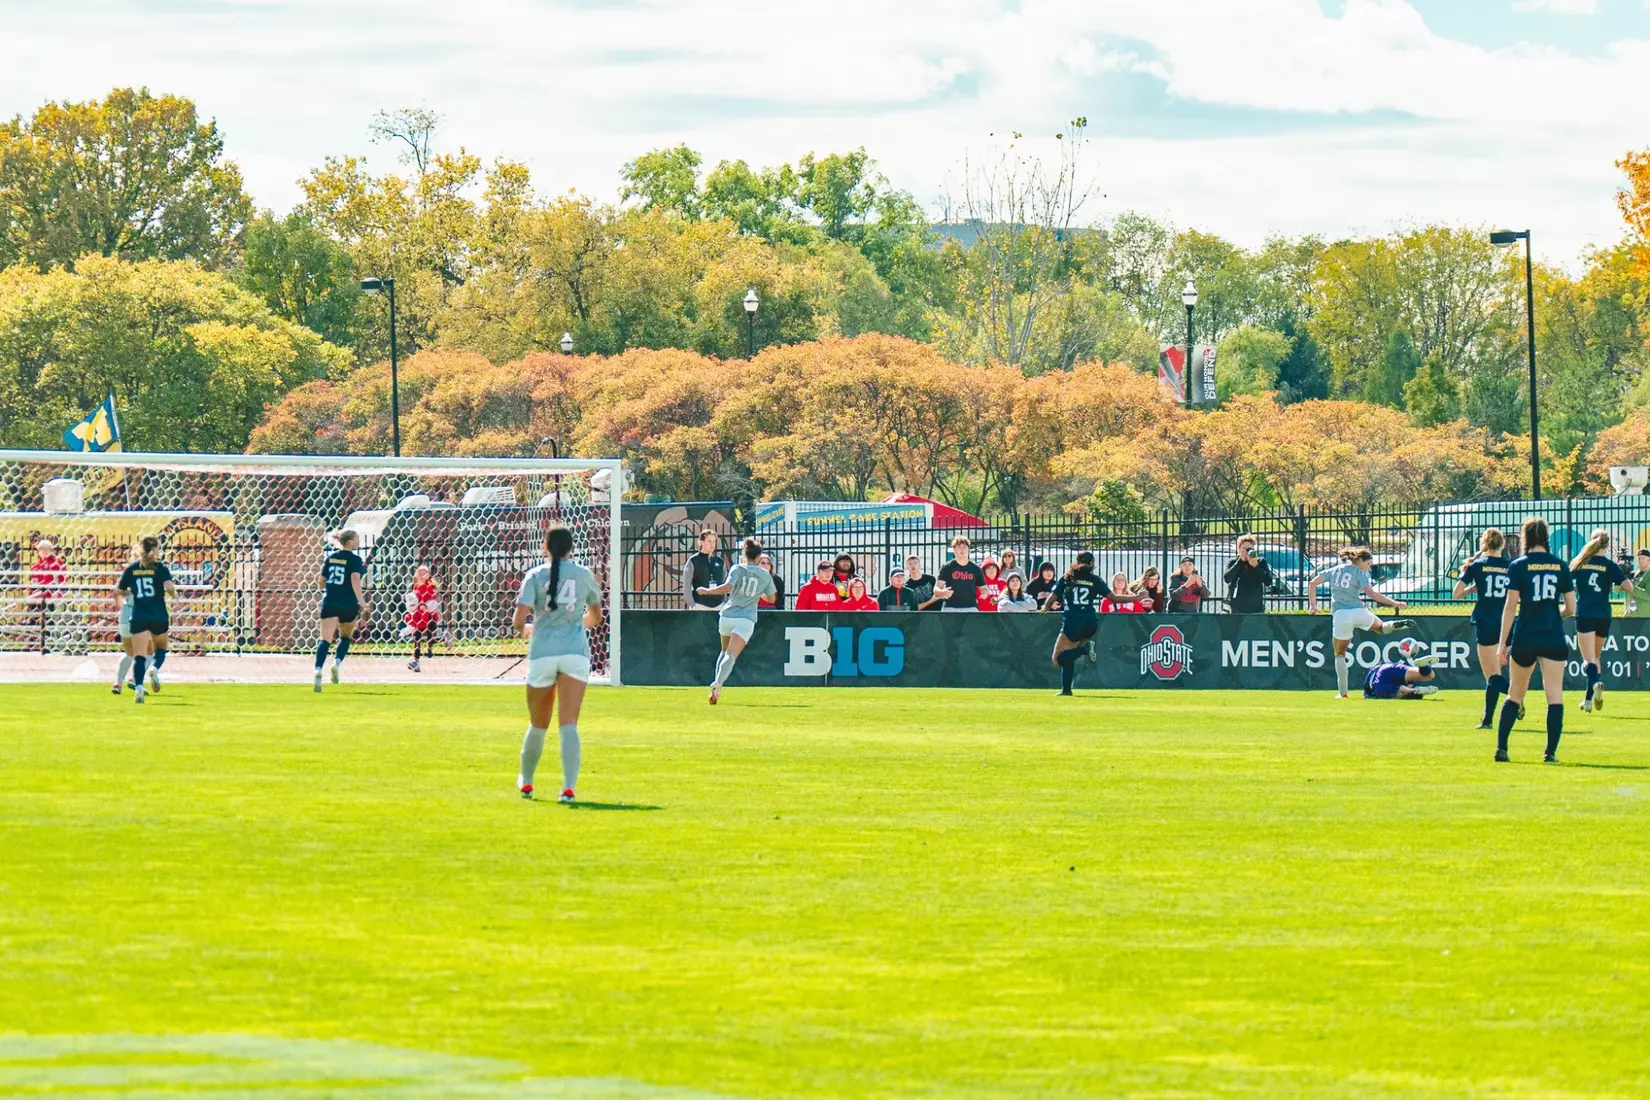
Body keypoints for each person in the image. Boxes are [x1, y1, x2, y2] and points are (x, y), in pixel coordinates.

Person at [513, 525, 604, 802]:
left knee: (538, 724)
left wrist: (526, 630)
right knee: (569, 723)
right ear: (571, 548)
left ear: (545, 547)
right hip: (574, 653)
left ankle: (527, 783)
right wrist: (577, 624)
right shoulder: (583, 574)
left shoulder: (534, 575)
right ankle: (568, 788)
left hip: (542, 653)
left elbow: (519, 620)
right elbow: (596, 616)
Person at [1495, 516, 1575, 764]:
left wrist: (1501, 645)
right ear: (1546, 538)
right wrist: (1553, 615)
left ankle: (1502, 749)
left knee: (1515, 694)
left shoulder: (1518, 565)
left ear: (1525, 538)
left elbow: (1510, 607)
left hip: (1526, 634)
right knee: (1555, 696)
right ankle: (1550, 753)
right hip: (1552, 634)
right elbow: (1571, 608)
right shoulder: (1561, 566)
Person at [1306, 547, 1413, 699]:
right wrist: (1394, 603)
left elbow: (1312, 583)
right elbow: (1372, 593)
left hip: (1341, 615)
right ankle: (1393, 624)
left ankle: (1343, 693)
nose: (1369, 567)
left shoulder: (1335, 570)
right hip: (1359, 611)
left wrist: (1313, 605)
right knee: (1381, 628)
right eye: (1369, 564)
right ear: (1361, 561)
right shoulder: (1360, 573)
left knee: (1340, 653)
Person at [694, 536, 777, 705]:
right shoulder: (765, 574)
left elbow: (727, 587)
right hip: (745, 619)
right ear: (759, 556)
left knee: (724, 651)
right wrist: (756, 593)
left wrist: (708, 592)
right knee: (731, 655)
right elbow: (771, 599)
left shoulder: (737, 568)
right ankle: (718, 683)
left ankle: (716, 690)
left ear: (744, 555)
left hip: (727, 615)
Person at [1453, 528, 1512, 730]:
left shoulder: (1478, 566)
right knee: (1496, 673)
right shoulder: (1510, 566)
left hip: (1486, 621)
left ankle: (1515, 698)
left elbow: (1457, 593)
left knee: (1492, 676)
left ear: (1484, 544)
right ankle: (1488, 719)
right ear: (1502, 544)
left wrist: (1473, 588)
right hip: (1506, 623)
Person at [1570, 528, 1630, 713]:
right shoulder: (1609, 565)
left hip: (1586, 612)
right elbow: (1627, 586)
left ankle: (1595, 683)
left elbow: (1566, 583)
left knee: (1588, 659)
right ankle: (1588, 700)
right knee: (1595, 658)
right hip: (1604, 613)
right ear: (1606, 545)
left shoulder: (1580, 562)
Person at [116, 536, 175, 705]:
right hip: (157, 613)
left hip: (135, 615)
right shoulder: (160, 568)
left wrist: (131, 595)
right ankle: (154, 670)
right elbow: (169, 587)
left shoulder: (132, 568)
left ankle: (136, 685)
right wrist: (176, 597)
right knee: (158, 648)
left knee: (135, 654)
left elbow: (119, 590)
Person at [1046, 550, 1109, 696]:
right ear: (1092, 563)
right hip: (1090, 622)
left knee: (1058, 658)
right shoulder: (1095, 579)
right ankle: (1066, 689)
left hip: (1073, 621)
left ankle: (1085, 649)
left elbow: (1053, 596)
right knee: (1068, 655)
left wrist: (1045, 607)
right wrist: (1136, 596)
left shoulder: (1068, 577)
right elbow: (1113, 597)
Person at [315, 530, 367, 693]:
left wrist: (330, 588)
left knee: (325, 639)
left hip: (330, 601)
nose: (358, 541)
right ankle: (336, 664)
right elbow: (355, 579)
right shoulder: (355, 559)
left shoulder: (331, 558)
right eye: (357, 539)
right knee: (345, 635)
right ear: (351, 542)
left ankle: (317, 670)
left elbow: (321, 581)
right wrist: (361, 601)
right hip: (348, 603)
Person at [111, 541, 147, 695]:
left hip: (126, 615)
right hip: (141, 616)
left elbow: (117, 591)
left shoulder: (129, 571)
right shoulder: (151, 572)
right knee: (149, 652)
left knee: (130, 653)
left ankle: (118, 683)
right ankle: (134, 680)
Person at [28, 538, 66, 652]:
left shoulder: (56, 563)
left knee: (48, 621)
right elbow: (33, 582)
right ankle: (34, 644)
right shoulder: (36, 565)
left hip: (50, 598)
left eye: (45, 549)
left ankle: (47, 644)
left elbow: (61, 580)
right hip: (36, 598)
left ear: (50, 550)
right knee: (34, 621)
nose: (42, 551)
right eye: (40, 549)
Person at [403, 565, 442, 673]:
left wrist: (424, 605)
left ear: (428, 575)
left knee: (424, 638)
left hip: (429, 617)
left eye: (423, 572)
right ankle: (416, 662)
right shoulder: (415, 586)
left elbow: (431, 599)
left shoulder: (429, 586)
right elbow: (415, 599)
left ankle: (442, 638)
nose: (421, 574)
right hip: (420, 617)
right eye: (419, 572)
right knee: (417, 638)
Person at [1223, 535, 1275, 614]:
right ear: (1239, 549)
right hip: (1237, 606)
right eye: (1244, 549)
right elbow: (1227, 578)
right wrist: (1240, 561)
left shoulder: (1261, 562)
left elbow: (1268, 582)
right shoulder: (1233, 562)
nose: (1247, 552)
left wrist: (1256, 566)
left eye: (1249, 549)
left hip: (1256, 607)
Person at [682, 529, 726, 610]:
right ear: (702, 542)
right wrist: (692, 604)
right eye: (709, 541)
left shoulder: (720, 561)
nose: (712, 544)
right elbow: (686, 585)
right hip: (699, 605)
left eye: (714, 541)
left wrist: (724, 601)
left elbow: (724, 582)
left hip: (719, 605)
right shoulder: (693, 560)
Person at [938, 537, 984, 612]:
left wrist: (985, 592)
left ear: (968, 549)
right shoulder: (947, 567)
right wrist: (942, 592)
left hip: (971, 607)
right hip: (950, 607)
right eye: (959, 547)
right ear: (954, 549)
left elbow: (984, 588)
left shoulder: (976, 569)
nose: (962, 550)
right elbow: (936, 589)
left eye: (964, 547)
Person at [1363, 655, 1440, 699]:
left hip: (1377, 681)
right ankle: (1424, 666)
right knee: (1430, 676)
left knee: (1400, 691)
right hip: (1389, 668)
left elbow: (1367, 696)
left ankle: (1412, 691)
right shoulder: (1407, 680)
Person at [1623, 548, 1650, 619]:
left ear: (1649, 559)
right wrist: (1619, 577)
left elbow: (1648, 595)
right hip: (1629, 616)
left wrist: (1632, 587)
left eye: (1643, 558)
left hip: (1644, 617)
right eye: (1638, 558)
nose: (1640, 560)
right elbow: (1616, 590)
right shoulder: (1632, 574)